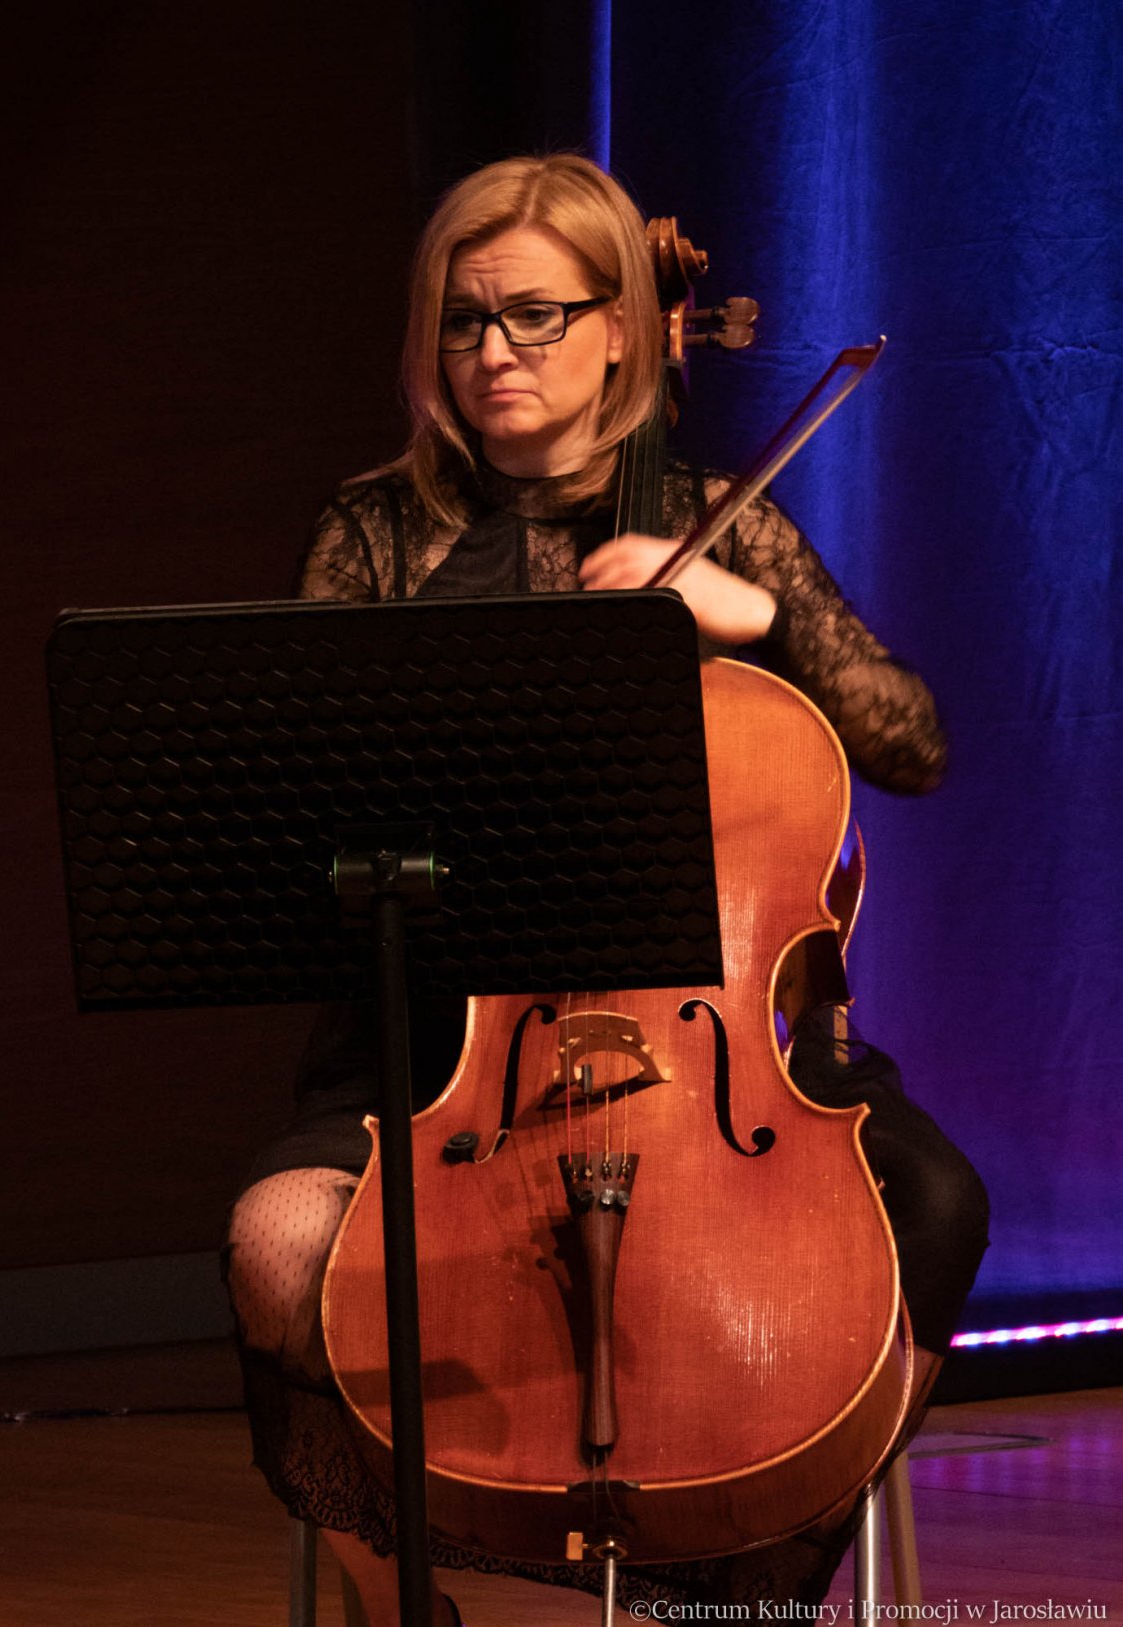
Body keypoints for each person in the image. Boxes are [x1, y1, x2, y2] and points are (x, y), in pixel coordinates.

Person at [224, 154, 989, 1626]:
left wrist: (748, 616)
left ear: (630, 332)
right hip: (439, 1048)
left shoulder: (717, 520)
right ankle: (414, 1591)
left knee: (938, 1203)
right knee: (281, 1252)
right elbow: (298, 793)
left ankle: (746, 1590)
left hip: (714, 1045)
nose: (493, 353)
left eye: (536, 317)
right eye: (463, 324)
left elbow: (916, 742)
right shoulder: (375, 536)